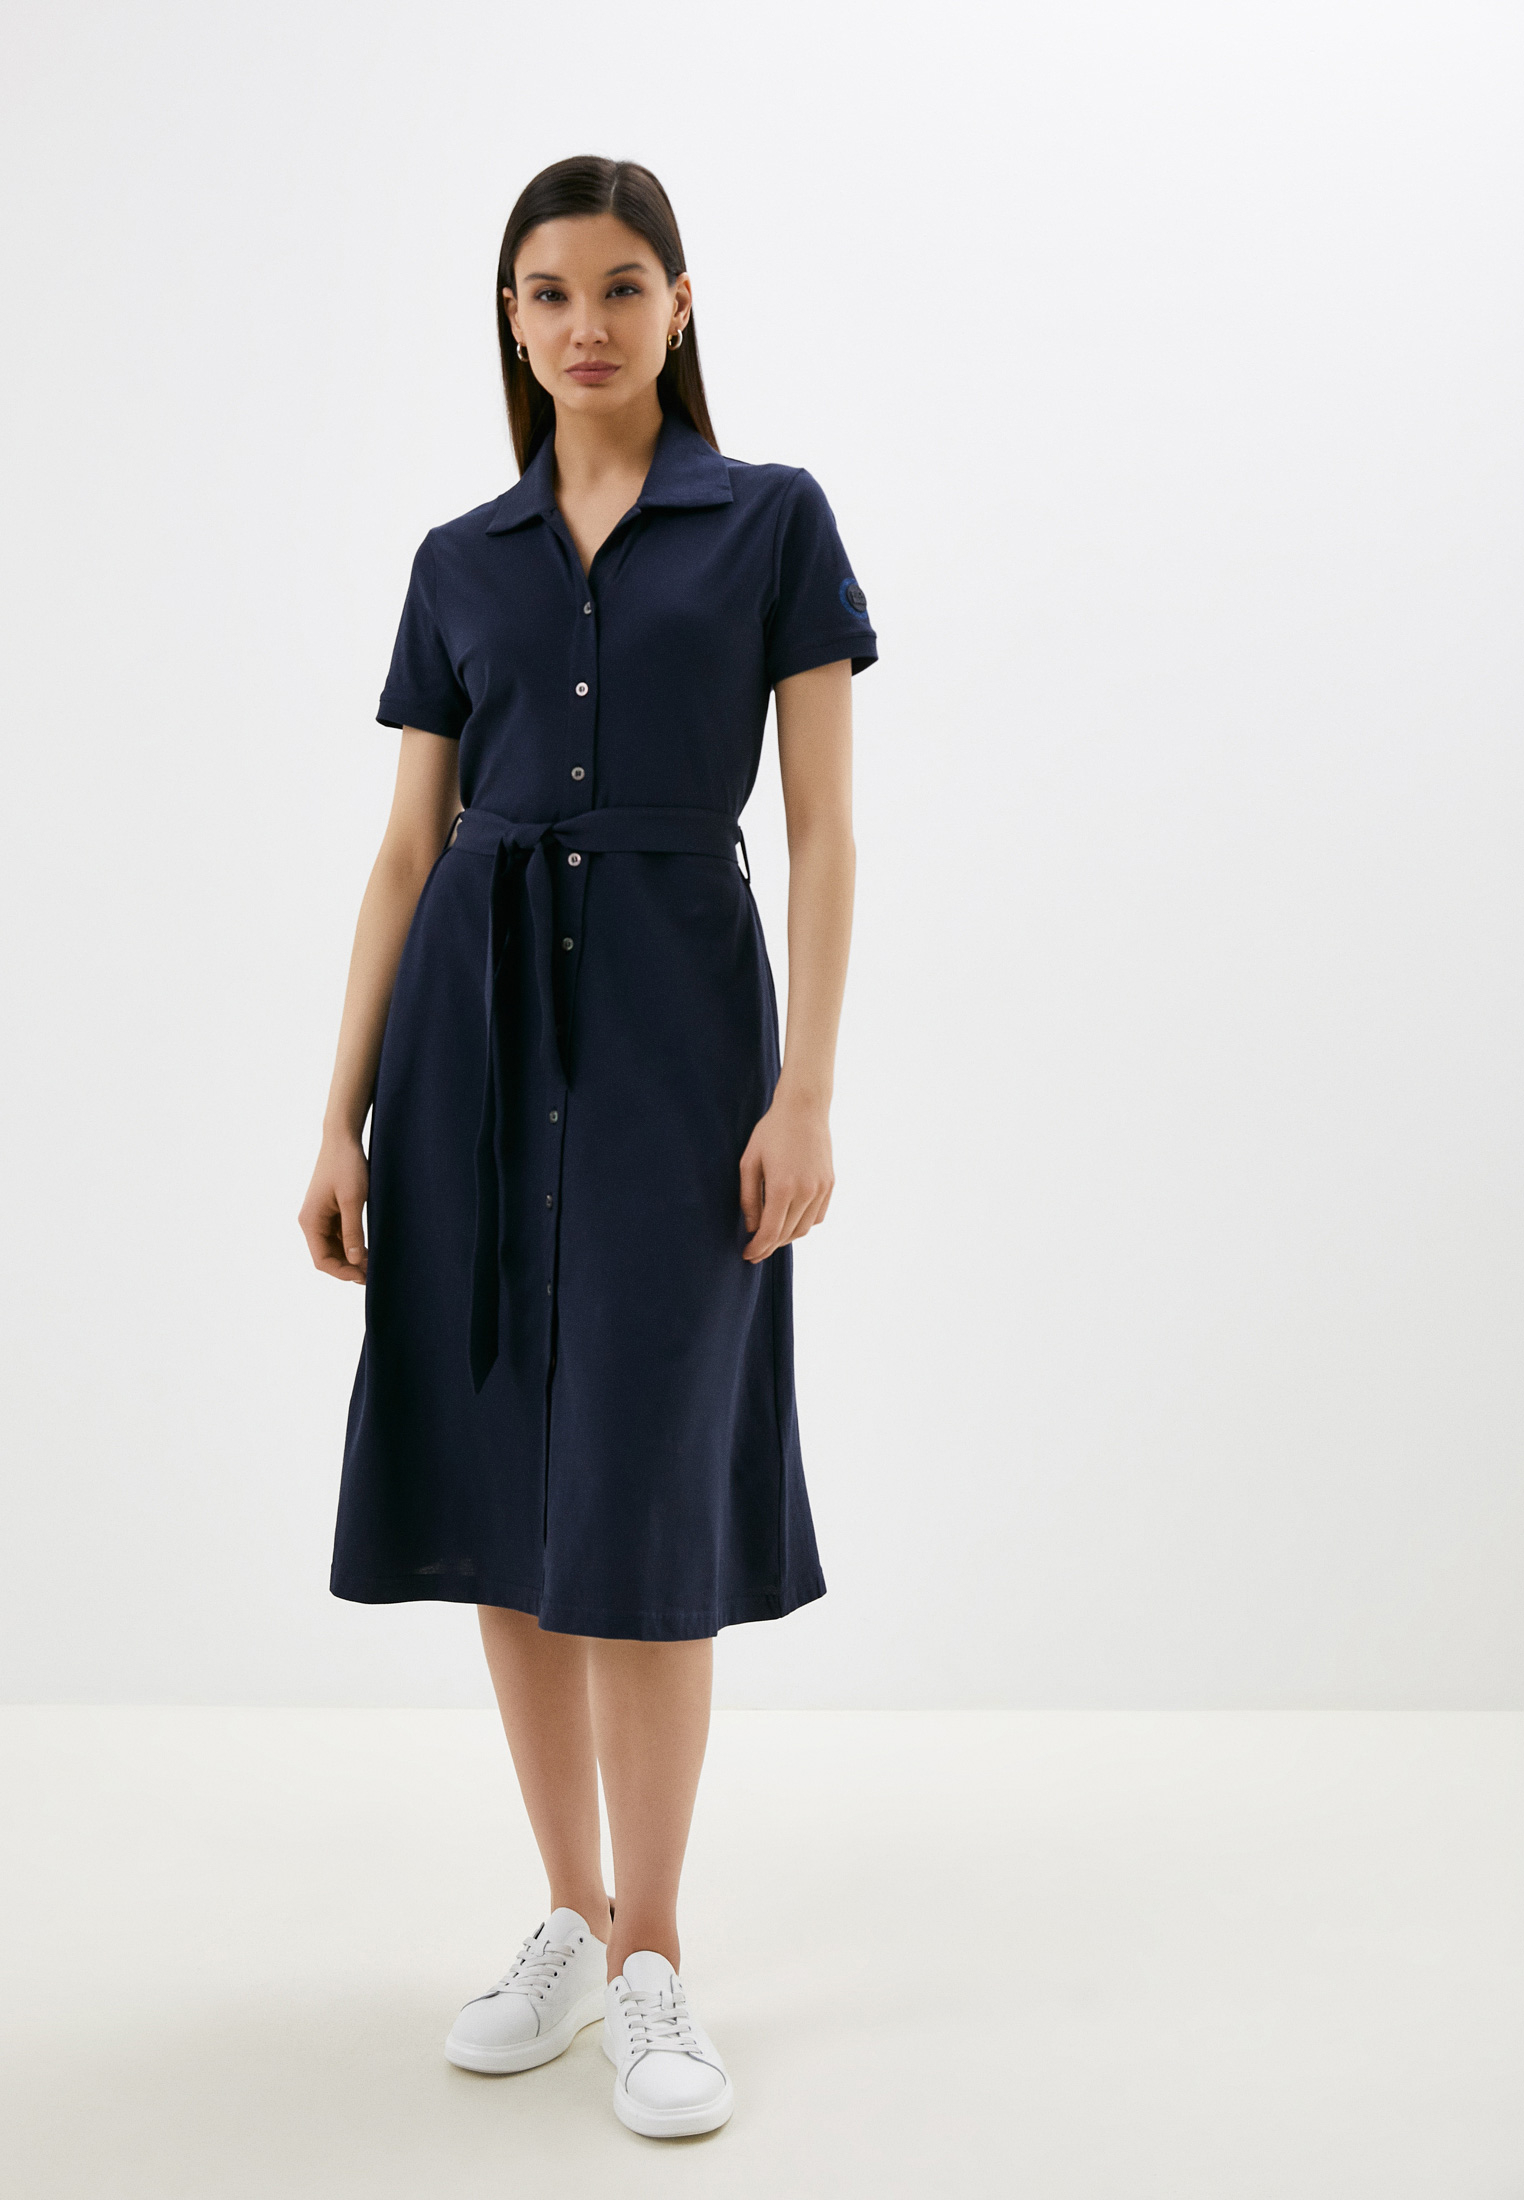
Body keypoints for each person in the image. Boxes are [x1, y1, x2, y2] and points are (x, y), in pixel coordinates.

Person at [298, 154, 877, 2141]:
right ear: (513, 321)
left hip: (676, 1045)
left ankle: (652, 1951)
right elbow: (404, 852)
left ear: (679, 305)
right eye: (548, 292)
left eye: (622, 286)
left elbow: (825, 827)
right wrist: (340, 1111)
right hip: (467, 1046)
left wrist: (807, 1088)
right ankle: (564, 1912)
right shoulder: (460, 557)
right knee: (508, 1485)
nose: (586, 323)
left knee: (641, 1487)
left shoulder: (770, 521)